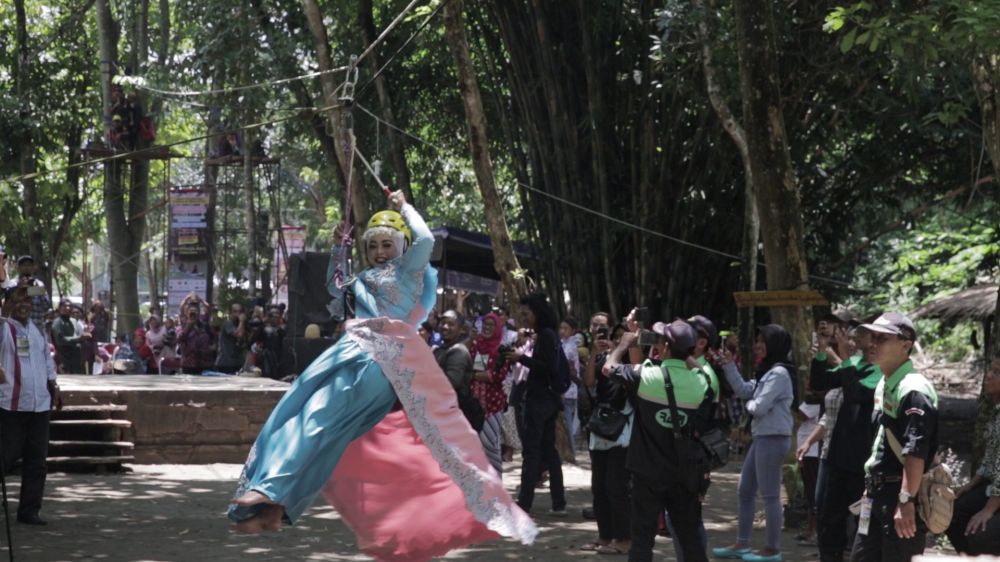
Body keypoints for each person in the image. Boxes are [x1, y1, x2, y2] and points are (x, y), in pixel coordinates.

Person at [228, 191, 535, 559]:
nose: (379, 252)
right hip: (361, 354)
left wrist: (403, 206)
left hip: (374, 358)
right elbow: (335, 289)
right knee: (326, 434)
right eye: (372, 246)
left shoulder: (409, 272)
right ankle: (277, 508)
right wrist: (338, 249)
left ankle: (271, 488)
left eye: (387, 244)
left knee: (312, 416)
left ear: (401, 246)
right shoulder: (363, 278)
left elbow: (426, 239)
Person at [603, 316, 712, 562]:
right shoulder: (700, 383)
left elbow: (608, 369)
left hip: (647, 471)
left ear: (664, 348)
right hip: (683, 473)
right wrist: (684, 354)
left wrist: (623, 344)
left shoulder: (648, 376)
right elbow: (703, 374)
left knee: (642, 538)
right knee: (690, 539)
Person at [850, 313, 939, 562]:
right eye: (872, 337)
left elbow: (915, 452)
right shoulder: (885, 383)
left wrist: (906, 500)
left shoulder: (913, 390)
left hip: (899, 497)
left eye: (882, 338)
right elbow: (882, 442)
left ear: (905, 345)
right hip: (877, 494)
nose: (872, 344)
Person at [712, 324, 796, 562]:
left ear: (775, 344)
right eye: (757, 339)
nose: (757, 345)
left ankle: (772, 550)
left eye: (762, 340)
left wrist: (750, 405)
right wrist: (728, 364)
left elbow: (758, 406)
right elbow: (744, 390)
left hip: (772, 438)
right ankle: (742, 543)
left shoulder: (779, 373)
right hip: (763, 437)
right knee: (745, 490)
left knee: (769, 496)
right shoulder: (767, 371)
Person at [808, 324, 880, 562]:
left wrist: (845, 358)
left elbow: (856, 394)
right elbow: (819, 382)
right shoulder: (856, 364)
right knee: (829, 518)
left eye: (866, 336)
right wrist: (822, 350)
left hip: (863, 461)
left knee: (863, 522)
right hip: (838, 458)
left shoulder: (879, 373)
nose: (860, 341)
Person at [0, 288, 60, 525]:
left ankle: (29, 510)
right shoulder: (5, 328)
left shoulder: (36, 331)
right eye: (18, 300)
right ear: (9, 304)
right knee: (5, 456)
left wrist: (54, 385)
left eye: (27, 300)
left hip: (39, 406)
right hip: (12, 405)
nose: (24, 305)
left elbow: (47, 360)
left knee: (37, 460)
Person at [504, 292, 567, 516]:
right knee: (548, 451)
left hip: (540, 401)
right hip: (546, 401)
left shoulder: (548, 336)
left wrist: (520, 358)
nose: (526, 317)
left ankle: (524, 503)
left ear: (538, 312)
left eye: (528, 312)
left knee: (532, 452)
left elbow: (545, 367)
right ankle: (558, 503)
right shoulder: (546, 335)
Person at [580, 322, 634, 555]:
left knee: (616, 486)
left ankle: (624, 538)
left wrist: (624, 348)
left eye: (625, 338)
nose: (619, 341)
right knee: (599, 486)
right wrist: (595, 352)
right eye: (616, 337)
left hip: (622, 428)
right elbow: (589, 382)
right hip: (601, 425)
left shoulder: (633, 364)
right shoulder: (604, 360)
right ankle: (605, 535)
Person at [946, 358, 1000, 555]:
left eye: (997, 372)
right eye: (991, 370)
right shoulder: (996, 411)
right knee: (953, 513)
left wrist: (988, 510)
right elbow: (992, 457)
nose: (989, 376)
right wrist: (971, 484)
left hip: (997, 492)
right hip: (993, 488)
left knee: (981, 533)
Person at [468, 311, 511, 475]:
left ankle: (496, 484)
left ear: (498, 328)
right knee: (474, 444)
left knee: (490, 444)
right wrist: (478, 375)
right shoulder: (475, 346)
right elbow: (467, 369)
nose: (487, 328)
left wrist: (473, 375)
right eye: (485, 324)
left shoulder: (502, 350)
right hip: (473, 404)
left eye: (491, 325)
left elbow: (496, 376)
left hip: (493, 404)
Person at [3, 256, 51, 336]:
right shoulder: (11, 284)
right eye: (23, 265)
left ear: (33, 268)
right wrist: (18, 288)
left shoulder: (39, 285)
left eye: (29, 265)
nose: (26, 267)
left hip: (36, 327)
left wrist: (35, 290)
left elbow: (46, 305)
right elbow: (5, 306)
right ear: (18, 268)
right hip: (16, 328)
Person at [559, 317, 582, 457]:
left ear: (573, 330)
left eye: (565, 328)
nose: (562, 331)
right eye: (561, 328)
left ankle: (571, 453)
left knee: (567, 423)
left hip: (567, 390)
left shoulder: (571, 345)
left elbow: (564, 364)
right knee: (565, 422)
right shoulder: (563, 343)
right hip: (564, 389)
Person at [177, 303, 214, 374]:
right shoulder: (182, 326)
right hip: (188, 364)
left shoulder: (205, 326)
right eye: (191, 311)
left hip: (204, 363)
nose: (193, 313)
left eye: (195, 311)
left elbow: (212, 339)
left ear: (199, 313)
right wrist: (188, 326)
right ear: (187, 313)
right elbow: (179, 339)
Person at [51, 300, 85, 374]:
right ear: (59, 308)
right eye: (65, 306)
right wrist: (79, 339)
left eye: (70, 306)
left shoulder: (74, 321)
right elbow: (60, 340)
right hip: (63, 358)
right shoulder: (57, 322)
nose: (68, 308)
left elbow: (78, 335)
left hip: (76, 359)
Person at [215, 303, 247, 374]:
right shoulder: (228, 323)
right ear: (230, 312)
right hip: (226, 362)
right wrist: (242, 321)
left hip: (237, 362)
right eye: (235, 311)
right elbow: (239, 334)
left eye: (240, 311)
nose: (237, 314)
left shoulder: (242, 324)